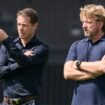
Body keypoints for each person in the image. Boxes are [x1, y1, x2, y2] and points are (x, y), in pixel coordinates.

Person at [0, 8, 49, 105]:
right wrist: (18, 64)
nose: (20, 28)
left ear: (35, 26)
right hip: (6, 102)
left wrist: (6, 40)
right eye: (18, 24)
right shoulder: (7, 46)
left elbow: (25, 61)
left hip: (28, 102)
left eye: (24, 25)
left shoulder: (41, 48)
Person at [64, 4, 105, 105]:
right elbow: (67, 73)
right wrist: (93, 74)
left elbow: (103, 67)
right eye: (83, 22)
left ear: (100, 24)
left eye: (89, 22)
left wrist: (78, 64)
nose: (84, 26)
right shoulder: (76, 45)